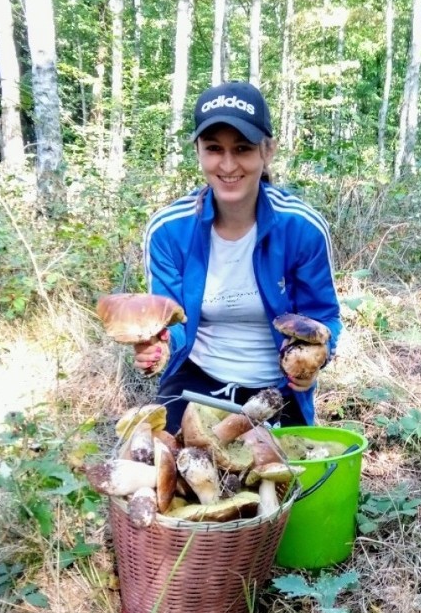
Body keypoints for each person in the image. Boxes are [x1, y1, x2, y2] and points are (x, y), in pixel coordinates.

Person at [137, 80, 342, 433]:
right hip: (196, 379)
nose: (228, 164)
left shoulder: (300, 229)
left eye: (243, 148)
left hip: (277, 387)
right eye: (214, 148)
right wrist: (156, 347)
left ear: (267, 152)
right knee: (166, 473)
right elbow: (169, 323)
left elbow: (322, 318)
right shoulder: (169, 230)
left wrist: (312, 368)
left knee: (282, 482)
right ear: (198, 151)